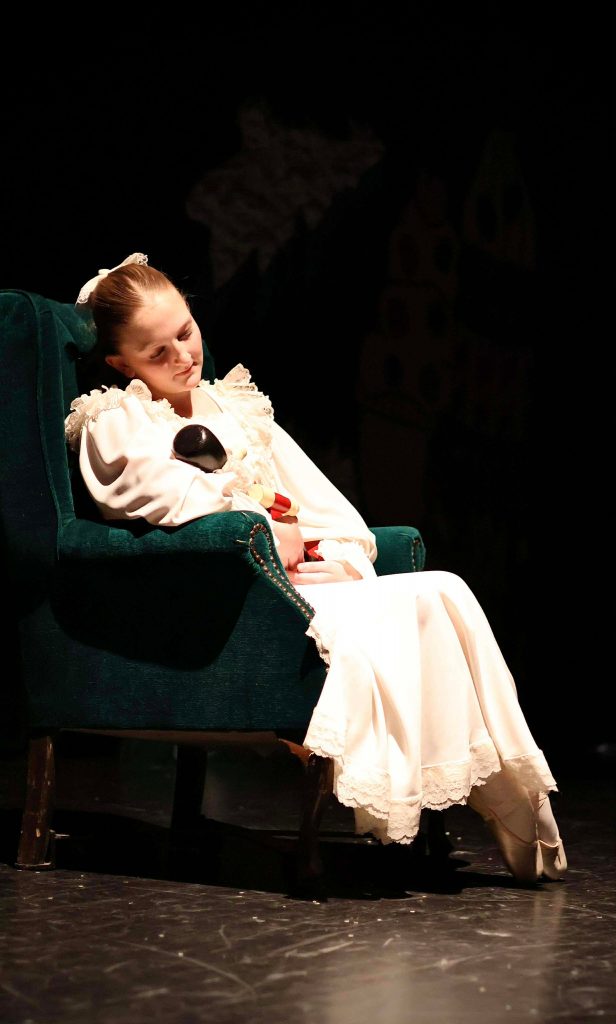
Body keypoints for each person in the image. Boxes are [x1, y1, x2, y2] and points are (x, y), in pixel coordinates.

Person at [65, 253, 567, 885]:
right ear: (121, 364)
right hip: (229, 606)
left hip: (292, 581)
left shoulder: (233, 408)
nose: (184, 356)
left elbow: (330, 512)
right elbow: (162, 495)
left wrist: (339, 559)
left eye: (186, 332)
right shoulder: (117, 419)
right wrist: (266, 527)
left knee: (444, 590)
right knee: (412, 605)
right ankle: (431, 809)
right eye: (157, 352)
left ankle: (508, 800)